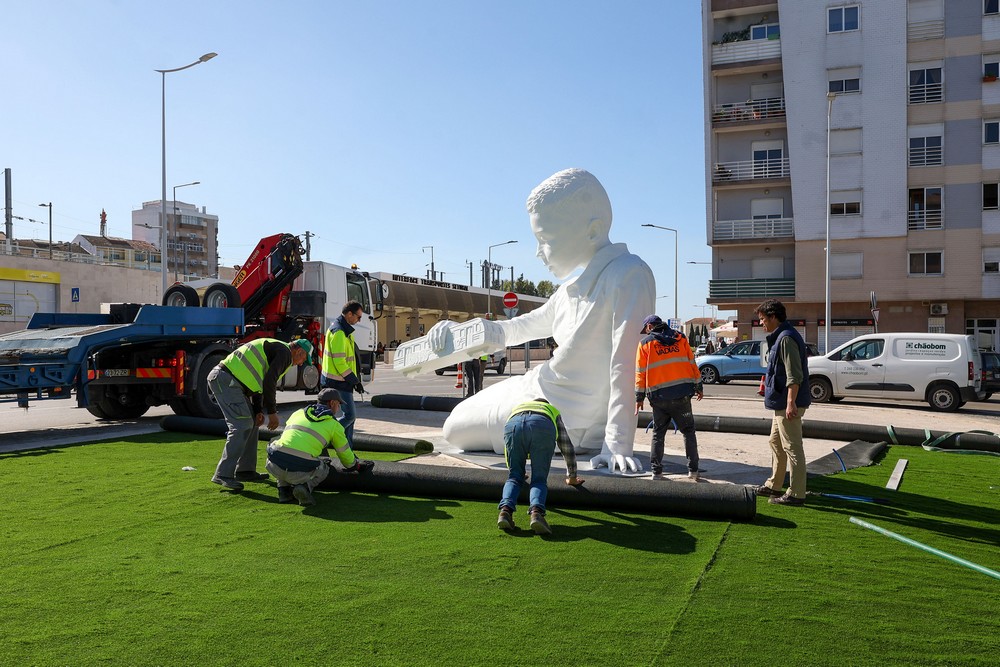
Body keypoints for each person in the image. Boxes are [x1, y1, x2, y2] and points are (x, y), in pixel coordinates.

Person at [426, 168, 656, 473]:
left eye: (545, 239)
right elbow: (520, 327)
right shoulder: (569, 291)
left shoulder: (627, 274)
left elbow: (624, 364)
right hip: (537, 388)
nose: (538, 253)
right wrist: (462, 332)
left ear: (592, 230)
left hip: (565, 417)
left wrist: (616, 443)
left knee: (455, 428)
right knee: (457, 419)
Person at [209, 338, 313, 491]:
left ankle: (245, 471)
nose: (302, 362)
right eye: (304, 358)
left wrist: (258, 410)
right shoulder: (285, 354)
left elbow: (260, 381)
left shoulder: (279, 349)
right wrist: (272, 413)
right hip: (226, 380)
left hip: (230, 381)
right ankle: (222, 474)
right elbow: (269, 382)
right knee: (242, 425)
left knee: (252, 423)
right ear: (299, 351)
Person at [264, 388, 374, 506]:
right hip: (299, 471)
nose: (339, 408)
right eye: (338, 404)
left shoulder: (298, 412)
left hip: (273, 464)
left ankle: (283, 491)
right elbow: (345, 455)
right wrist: (356, 466)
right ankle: (305, 488)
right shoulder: (334, 425)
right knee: (324, 467)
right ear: (332, 403)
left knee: (284, 450)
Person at [752, 298, 811, 506]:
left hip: (788, 404)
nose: (761, 323)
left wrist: (790, 402)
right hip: (781, 403)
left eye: (762, 319)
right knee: (776, 443)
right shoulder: (781, 337)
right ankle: (774, 485)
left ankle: (796, 493)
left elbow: (794, 375)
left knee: (792, 447)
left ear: (773, 317)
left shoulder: (786, 339)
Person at [497, 399, 583, 535]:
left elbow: (508, 450)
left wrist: (516, 471)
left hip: (513, 426)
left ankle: (505, 511)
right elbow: (567, 447)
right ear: (545, 404)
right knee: (538, 479)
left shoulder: (518, 407)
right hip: (542, 427)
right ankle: (536, 514)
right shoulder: (551, 411)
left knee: (514, 477)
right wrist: (572, 476)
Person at [634, 315, 704, 480]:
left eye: (646, 329)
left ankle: (656, 472)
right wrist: (699, 386)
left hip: (659, 397)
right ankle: (693, 471)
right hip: (681, 396)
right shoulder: (680, 338)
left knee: (658, 434)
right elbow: (692, 363)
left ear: (650, 326)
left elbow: (640, 373)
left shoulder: (645, 344)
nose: (646, 333)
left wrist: (639, 398)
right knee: (688, 432)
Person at [321, 301, 365, 447]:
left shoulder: (343, 329)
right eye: (358, 317)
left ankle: (348, 451)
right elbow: (340, 362)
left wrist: (354, 380)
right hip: (338, 381)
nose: (359, 320)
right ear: (349, 314)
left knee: (349, 418)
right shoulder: (339, 332)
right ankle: (326, 436)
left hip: (339, 380)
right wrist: (354, 380)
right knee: (350, 416)